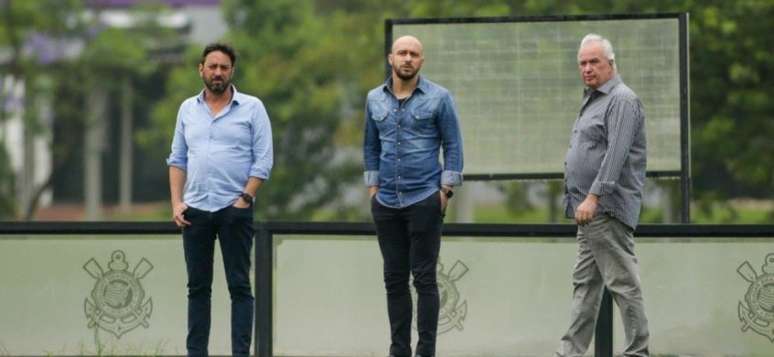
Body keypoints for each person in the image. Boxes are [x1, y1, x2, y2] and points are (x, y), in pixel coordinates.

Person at [167, 42, 273, 356]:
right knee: (197, 289)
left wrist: (245, 198)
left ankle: (240, 353)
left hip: (234, 209)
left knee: (239, 286)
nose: (217, 72)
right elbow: (177, 158)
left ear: (232, 71)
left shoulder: (253, 107)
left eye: (223, 67)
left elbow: (263, 160)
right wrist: (176, 202)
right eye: (212, 66)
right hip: (195, 210)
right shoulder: (187, 109)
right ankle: (196, 352)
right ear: (201, 69)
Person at [363, 35, 464, 357]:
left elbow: (454, 146)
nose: (408, 58)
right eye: (402, 53)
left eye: (414, 54)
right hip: (387, 202)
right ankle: (399, 351)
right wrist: (373, 189)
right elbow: (370, 146)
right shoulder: (374, 99)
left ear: (422, 61)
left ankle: (426, 352)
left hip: (425, 198)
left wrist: (445, 191)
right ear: (391, 58)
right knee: (394, 280)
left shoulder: (439, 98)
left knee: (424, 279)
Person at [556, 33, 650, 357]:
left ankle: (638, 352)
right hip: (588, 214)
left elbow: (616, 155)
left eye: (594, 61)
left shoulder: (622, 99)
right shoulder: (594, 99)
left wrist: (593, 197)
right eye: (582, 63)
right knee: (585, 287)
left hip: (605, 209)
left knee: (624, 285)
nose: (587, 68)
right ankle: (570, 353)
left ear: (611, 63)